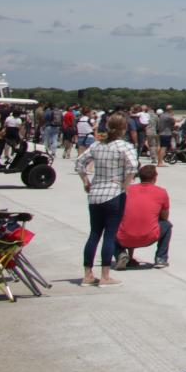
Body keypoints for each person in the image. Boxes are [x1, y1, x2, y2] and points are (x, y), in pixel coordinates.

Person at [75, 112, 137, 286]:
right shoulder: (124, 146)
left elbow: (79, 163)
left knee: (94, 234)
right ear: (123, 129)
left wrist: (86, 181)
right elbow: (133, 166)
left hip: (96, 193)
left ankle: (87, 274)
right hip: (114, 192)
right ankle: (105, 275)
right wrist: (126, 184)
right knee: (109, 235)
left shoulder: (97, 145)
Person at [113, 164, 173, 269]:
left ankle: (120, 254)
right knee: (167, 225)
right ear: (155, 178)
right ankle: (161, 258)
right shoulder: (161, 192)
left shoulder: (128, 190)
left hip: (125, 237)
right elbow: (164, 217)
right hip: (149, 236)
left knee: (112, 225)